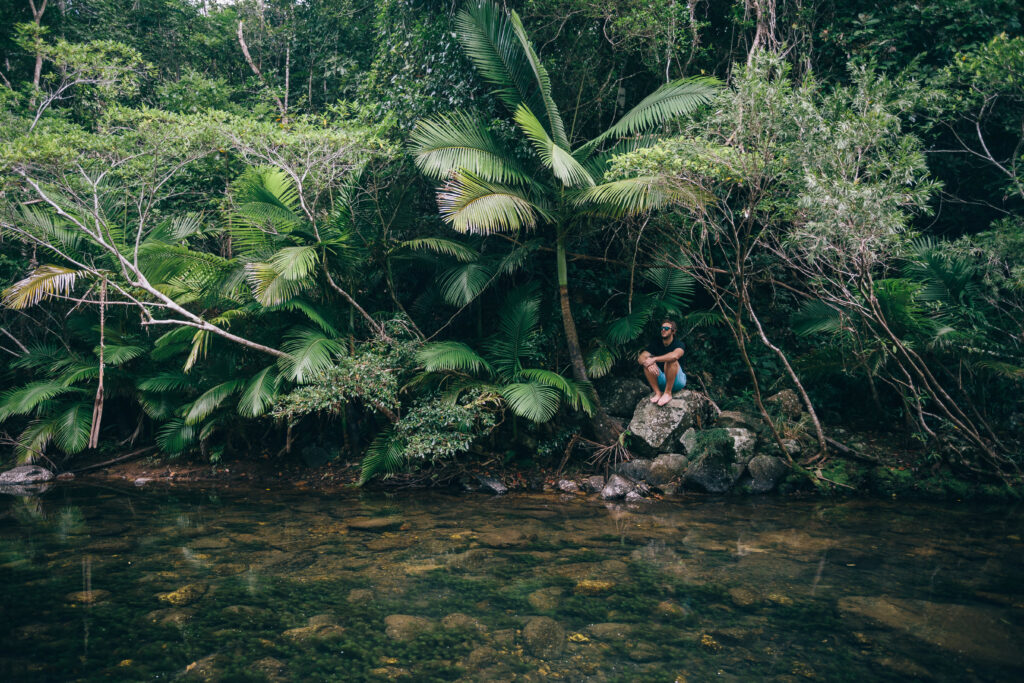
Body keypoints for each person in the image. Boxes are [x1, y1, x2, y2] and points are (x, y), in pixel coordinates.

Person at [638, 319, 686, 406]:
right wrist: (648, 364)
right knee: (647, 363)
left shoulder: (679, 344)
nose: (663, 330)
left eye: (667, 328)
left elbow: (675, 356)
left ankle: (668, 393)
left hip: (677, 381)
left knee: (670, 360)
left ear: (673, 331)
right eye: (662, 328)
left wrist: (654, 359)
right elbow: (641, 357)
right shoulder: (656, 343)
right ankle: (658, 393)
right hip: (662, 381)